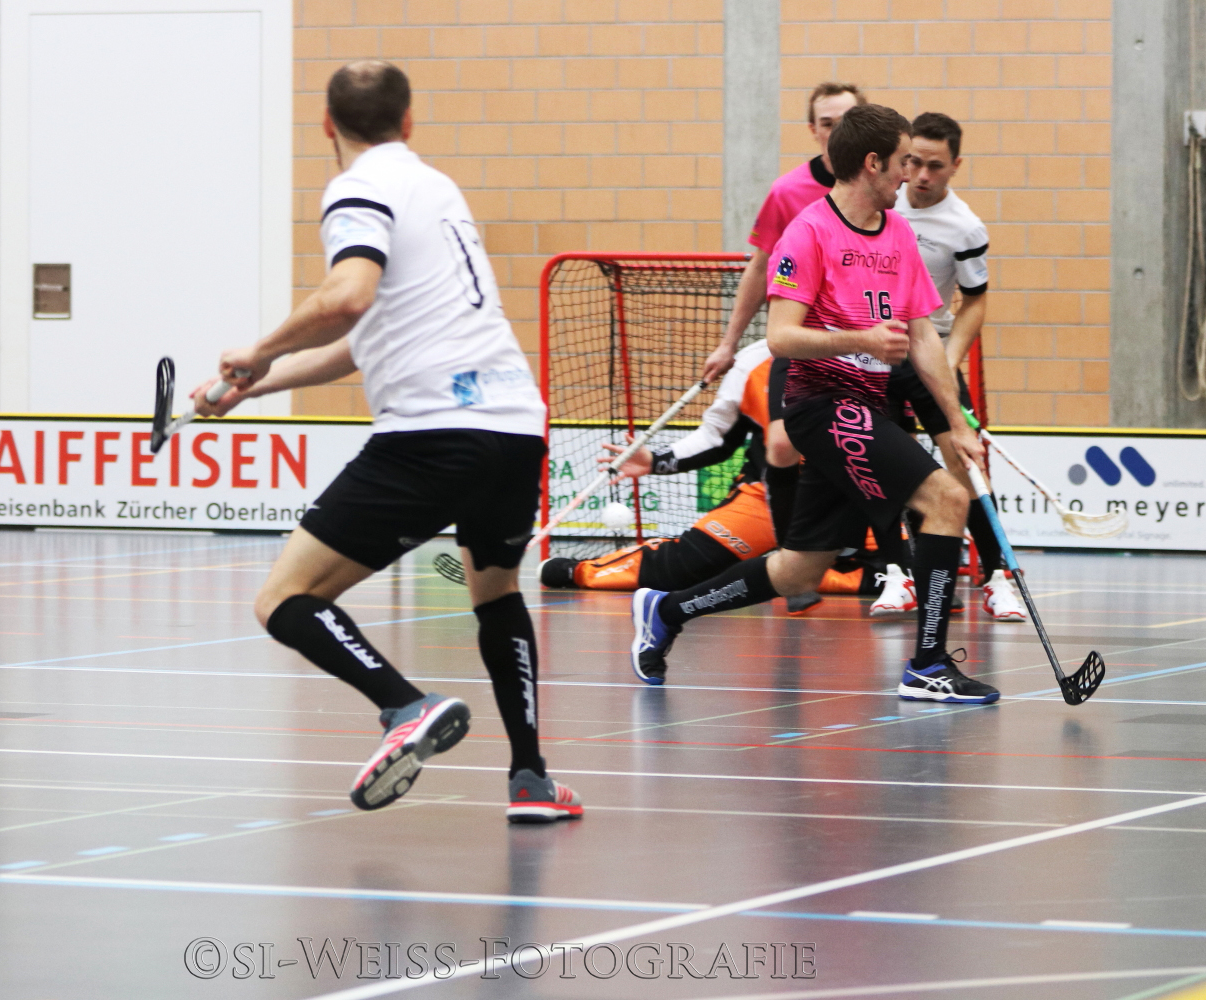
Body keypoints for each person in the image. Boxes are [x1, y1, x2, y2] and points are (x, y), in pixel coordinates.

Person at [193, 60, 581, 823]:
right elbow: (363, 339)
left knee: (283, 599)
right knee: (496, 593)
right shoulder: (436, 188)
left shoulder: (357, 187)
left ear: (326, 125)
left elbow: (349, 296)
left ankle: (404, 705)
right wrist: (255, 384)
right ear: (408, 121)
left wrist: (259, 347)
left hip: (433, 433)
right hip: (513, 428)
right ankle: (530, 778)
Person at [628, 104, 998, 705]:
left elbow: (923, 334)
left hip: (867, 407)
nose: (908, 174)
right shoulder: (809, 232)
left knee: (800, 567)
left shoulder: (897, 232)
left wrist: (957, 423)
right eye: (901, 162)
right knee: (947, 498)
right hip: (821, 404)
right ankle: (928, 665)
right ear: (872, 163)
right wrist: (861, 339)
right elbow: (780, 337)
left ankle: (666, 611)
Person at [533, 338, 881, 619]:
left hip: (863, 494)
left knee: (899, 570)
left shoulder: (880, 351)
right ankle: (584, 571)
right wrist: (656, 460)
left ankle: (779, 571)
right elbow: (716, 437)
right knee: (684, 568)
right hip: (767, 497)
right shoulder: (754, 361)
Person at [705, 82, 869, 613]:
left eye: (847, 120)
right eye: (827, 123)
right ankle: (792, 557)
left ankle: (874, 555)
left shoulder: (882, 188)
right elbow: (760, 267)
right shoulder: (788, 192)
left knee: (867, 446)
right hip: (803, 343)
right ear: (813, 130)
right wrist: (729, 343)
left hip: (864, 348)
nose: (836, 131)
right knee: (780, 444)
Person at [895, 111, 1025, 622]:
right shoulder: (882, 203)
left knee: (966, 467)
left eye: (935, 166)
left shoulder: (965, 227)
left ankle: (997, 578)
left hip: (932, 354)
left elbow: (974, 301)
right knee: (892, 467)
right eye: (913, 162)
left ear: (955, 166)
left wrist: (949, 360)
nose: (921, 175)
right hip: (875, 356)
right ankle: (904, 575)